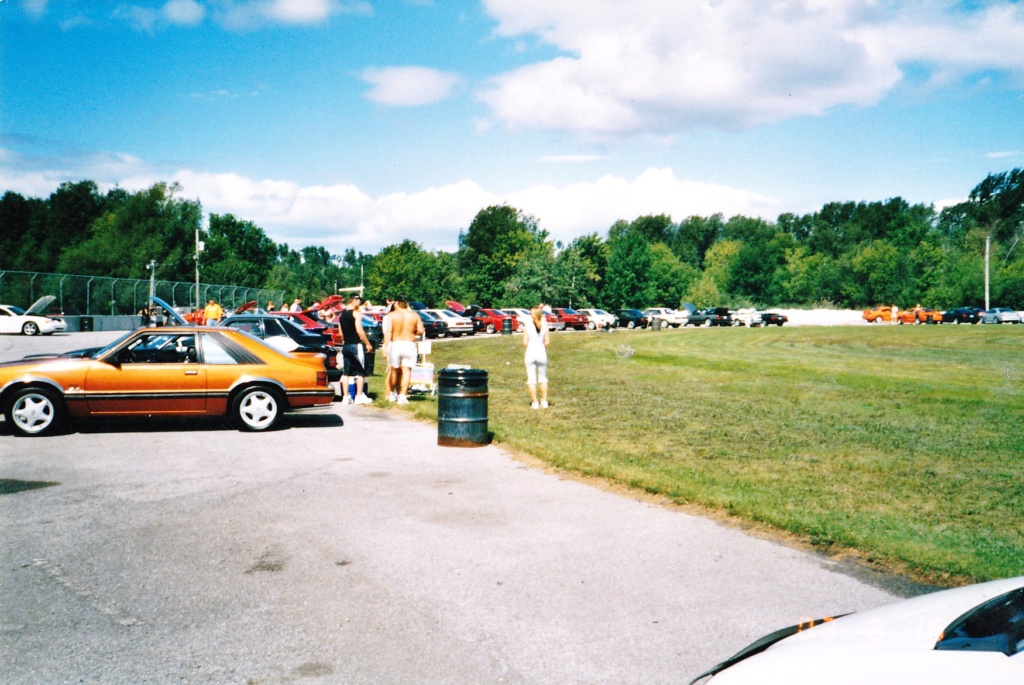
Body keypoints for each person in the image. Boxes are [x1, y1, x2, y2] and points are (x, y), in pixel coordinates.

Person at [383, 296, 424, 405]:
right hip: (409, 344)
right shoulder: (415, 315)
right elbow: (421, 331)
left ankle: (391, 394)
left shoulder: (392, 315)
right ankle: (402, 396)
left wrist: (386, 347)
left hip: (396, 344)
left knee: (394, 370)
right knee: (407, 371)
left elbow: (389, 332)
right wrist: (412, 332)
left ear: (396, 303)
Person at [337, 295, 374, 405]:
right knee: (361, 371)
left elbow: (340, 332)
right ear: (354, 300)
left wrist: (345, 339)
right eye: (359, 301)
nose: (360, 304)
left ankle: (346, 397)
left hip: (346, 345)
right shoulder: (356, 314)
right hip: (355, 345)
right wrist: (367, 343)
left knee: (346, 372)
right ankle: (358, 396)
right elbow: (359, 330)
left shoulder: (342, 314)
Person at [523, 304, 551, 409]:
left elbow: (525, 342)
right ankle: (544, 401)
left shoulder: (527, 325)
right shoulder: (545, 325)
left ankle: (535, 402)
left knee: (531, 379)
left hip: (530, 352)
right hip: (541, 352)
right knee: (543, 378)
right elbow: (547, 342)